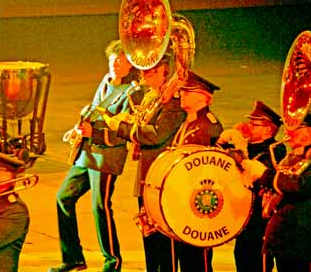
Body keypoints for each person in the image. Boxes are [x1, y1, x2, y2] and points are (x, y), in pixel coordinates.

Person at [50, 39, 139, 272]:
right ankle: (72, 259)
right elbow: (94, 110)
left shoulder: (133, 92)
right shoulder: (106, 81)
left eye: (121, 59)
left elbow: (126, 132)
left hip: (106, 158)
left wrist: (96, 133)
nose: (115, 63)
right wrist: (78, 128)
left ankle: (113, 262)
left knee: (100, 207)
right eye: (113, 58)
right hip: (87, 154)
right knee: (63, 198)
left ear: (131, 64)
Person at [101, 54, 187, 272]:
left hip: (161, 180)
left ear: (165, 71)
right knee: (148, 236)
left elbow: (157, 134)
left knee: (164, 242)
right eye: (143, 71)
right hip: (146, 177)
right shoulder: (151, 97)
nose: (144, 75)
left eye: (151, 71)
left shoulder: (174, 103)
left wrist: (123, 129)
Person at [241, 110, 311, 272]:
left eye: (294, 128)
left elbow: (302, 186)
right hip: (281, 241)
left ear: (309, 131)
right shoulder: (289, 158)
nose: (288, 133)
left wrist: (264, 174)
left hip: (303, 242)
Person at [217, 100, 287, 272]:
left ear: (267, 130)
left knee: (257, 266)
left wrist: (240, 147)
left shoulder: (274, 150)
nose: (249, 126)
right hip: (244, 223)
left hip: (259, 226)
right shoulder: (250, 146)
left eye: (254, 124)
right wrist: (223, 141)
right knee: (242, 261)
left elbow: (255, 173)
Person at [172, 70, 223, 272]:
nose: (182, 94)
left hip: (197, 203)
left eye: (188, 91)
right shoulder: (189, 122)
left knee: (197, 261)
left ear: (203, 96)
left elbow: (212, 168)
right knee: (186, 258)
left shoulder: (208, 125)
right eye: (182, 91)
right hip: (183, 199)